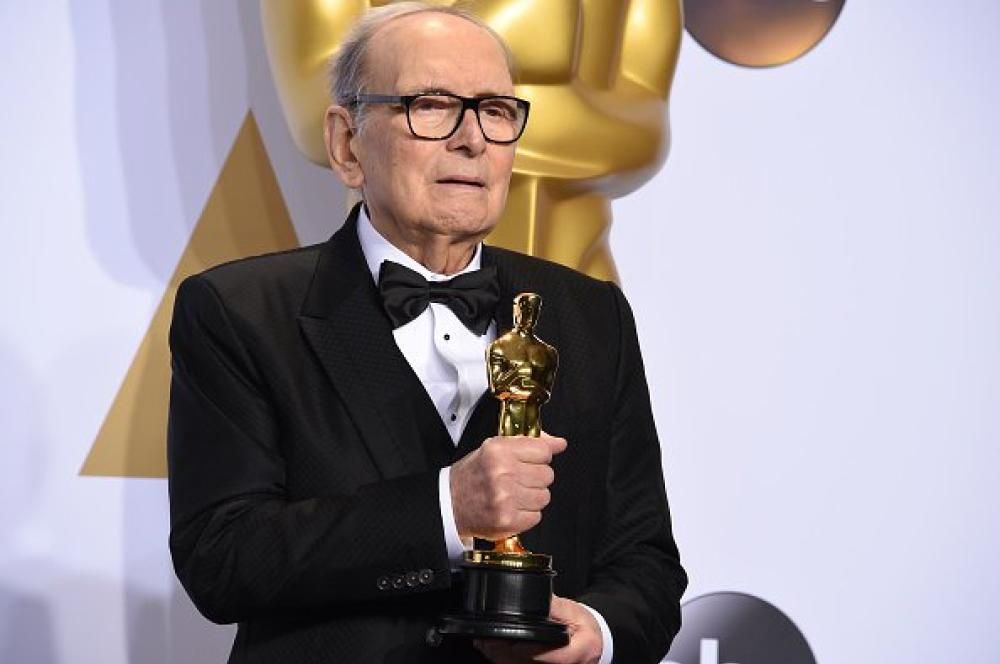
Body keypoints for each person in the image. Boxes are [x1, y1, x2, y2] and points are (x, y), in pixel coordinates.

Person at [167, 3, 686, 663]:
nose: (473, 139)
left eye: (496, 110)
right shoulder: (239, 312)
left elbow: (647, 563)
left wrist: (597, 632)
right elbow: (222, 557)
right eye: (432, 106)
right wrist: (445, 508)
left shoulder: (590, 315)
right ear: (346, 144)